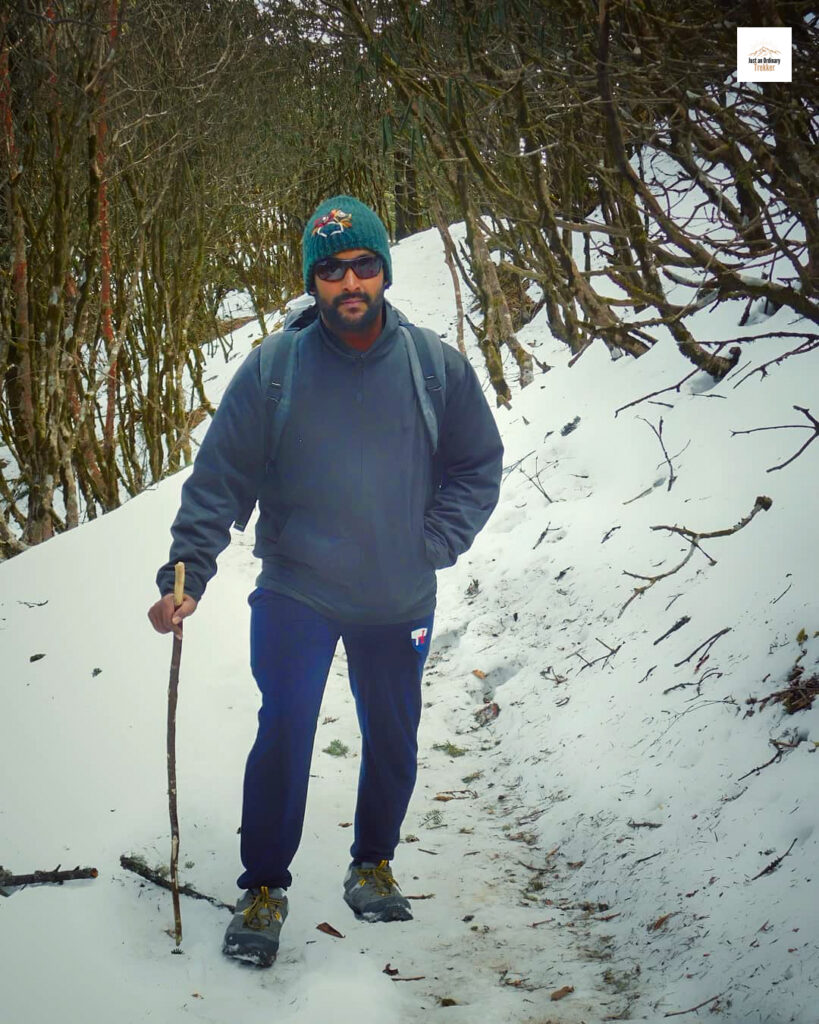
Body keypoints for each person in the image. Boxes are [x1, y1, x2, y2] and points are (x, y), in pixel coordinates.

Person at [148, 195, 503, 966]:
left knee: (393, 737)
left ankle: (372, 863)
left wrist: (433, 543)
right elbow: (219, 480)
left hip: (396, 593)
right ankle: (264, 887)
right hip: (297, 587)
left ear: (383, 271)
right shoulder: (274, 370)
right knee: (284, 729)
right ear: (312, 282)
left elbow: (477, 466)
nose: (350, 282)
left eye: (364, 266)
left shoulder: (434, 367)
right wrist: (187, 570)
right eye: (332, 269)